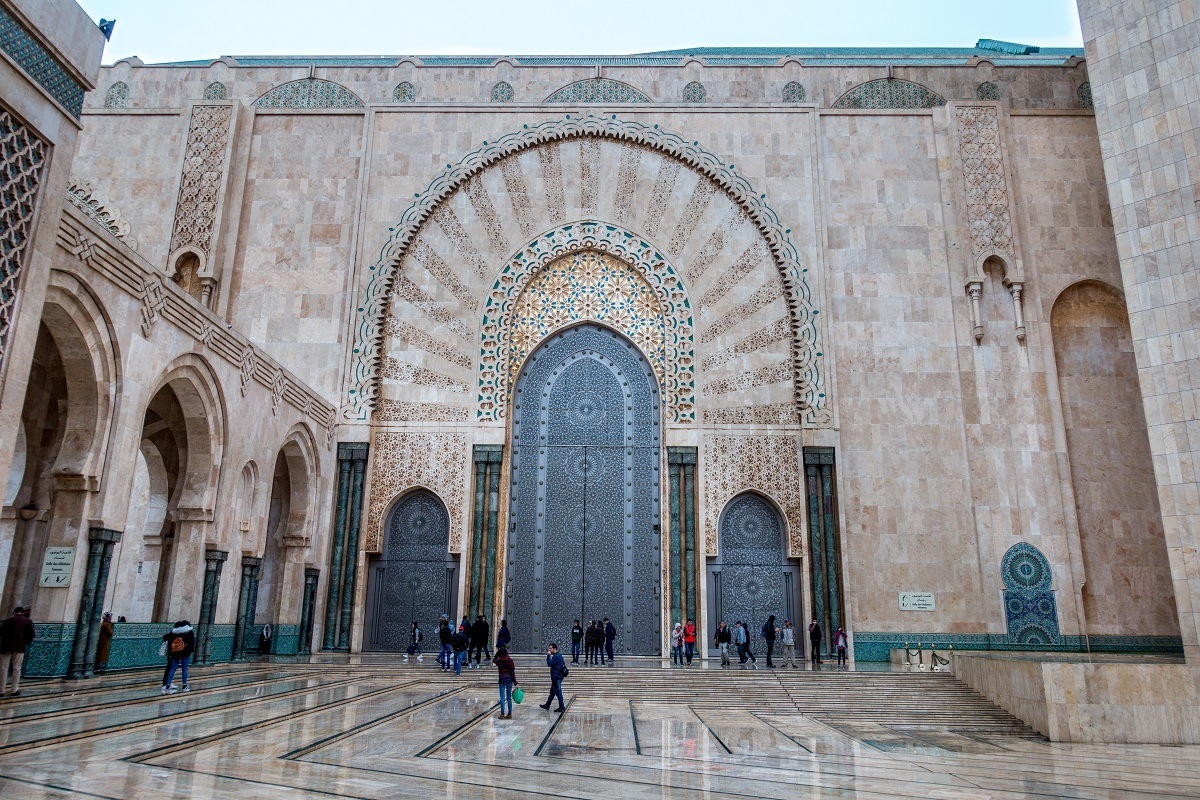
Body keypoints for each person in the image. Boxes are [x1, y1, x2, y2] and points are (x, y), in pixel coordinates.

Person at [0, 606, 35, 697]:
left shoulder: (7, 621)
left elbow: (1, 633)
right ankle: (14, 690)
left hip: (6, 647)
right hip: (19, 648)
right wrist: (24, 642)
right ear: (22, 612)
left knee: (3, 669)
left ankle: (1, 690)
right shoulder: (27, 621)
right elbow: (31, 635)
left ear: (14, 612)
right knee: (16, 668)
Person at [161, 620, 195, 694]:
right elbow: (192, 644)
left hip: (175, 653)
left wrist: (171, 652)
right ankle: (184, 685)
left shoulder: (174, 632)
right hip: (185, 653)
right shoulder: (189, 632)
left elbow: (169, 641)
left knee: (172, 669)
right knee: (184, 669)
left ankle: (168, 685)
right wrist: (190, 651)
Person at [539, 642, 567, 713]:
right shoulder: (559, 655)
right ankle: (547, 705)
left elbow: (550, 664)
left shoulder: (556, 656)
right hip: (557, 676)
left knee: (558, 692)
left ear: (554, 649)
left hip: (556, 677)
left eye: (550, 649)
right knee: (552, 692)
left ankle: (562, 707)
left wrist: (548, 656)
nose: (549, 650)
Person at [494, 646, 519, 719]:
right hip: (509, 680)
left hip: (501, 680)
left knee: (502, 697)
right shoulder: (510, 660)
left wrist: (497, 654)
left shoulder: (499, 661)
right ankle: (510, 714)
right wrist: (515, 682)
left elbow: (494, 660)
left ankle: (502, 714)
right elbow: (512, 672)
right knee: (509, 697)